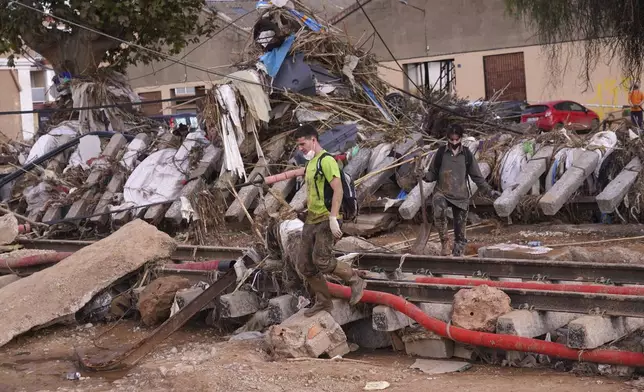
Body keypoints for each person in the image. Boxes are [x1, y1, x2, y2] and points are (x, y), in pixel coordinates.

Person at [294, 124, 366, 317]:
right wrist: (302, 208)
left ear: (313, 140)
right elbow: (314, 191)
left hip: (328, 217)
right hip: (312, 218)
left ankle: (355, 279)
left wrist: (334, 217)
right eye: (299, 145)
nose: (301, 148)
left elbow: (338, 190)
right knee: (305, 265)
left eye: (303, 144)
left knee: (322, 260)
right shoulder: (310, 164)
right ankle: (324, 302)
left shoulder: (327, 161)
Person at [422, 124, 501, 256]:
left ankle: (458, 254)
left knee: (460, 234)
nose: (454, 142)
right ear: (447, 138)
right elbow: (432, 174)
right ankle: (444, 242)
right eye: (451, 140)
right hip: (442, 192)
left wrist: (489, 191)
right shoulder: (441, 153)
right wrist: (423, 175)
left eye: (456, 140)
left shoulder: (467, 155)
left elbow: (477, 177)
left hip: (461, 196)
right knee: (439, 208)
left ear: (461, 139)